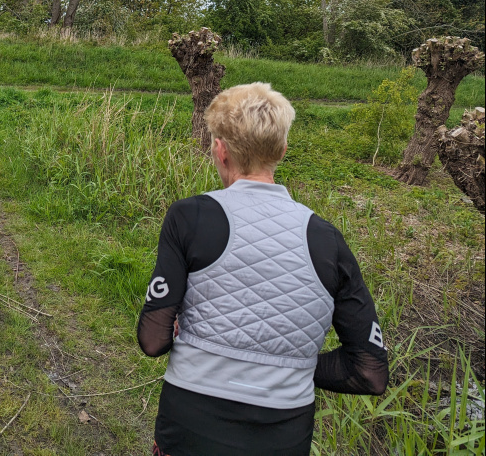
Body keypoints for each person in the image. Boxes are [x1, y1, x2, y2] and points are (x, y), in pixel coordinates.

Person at [138, 82, 388, 456]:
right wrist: (292, 364)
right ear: (282, 151)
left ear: (219, 150)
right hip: (283, 434)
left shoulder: (189, 216)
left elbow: (153, 339)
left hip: (191, 422)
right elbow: (370, 371)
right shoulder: (327, 238)